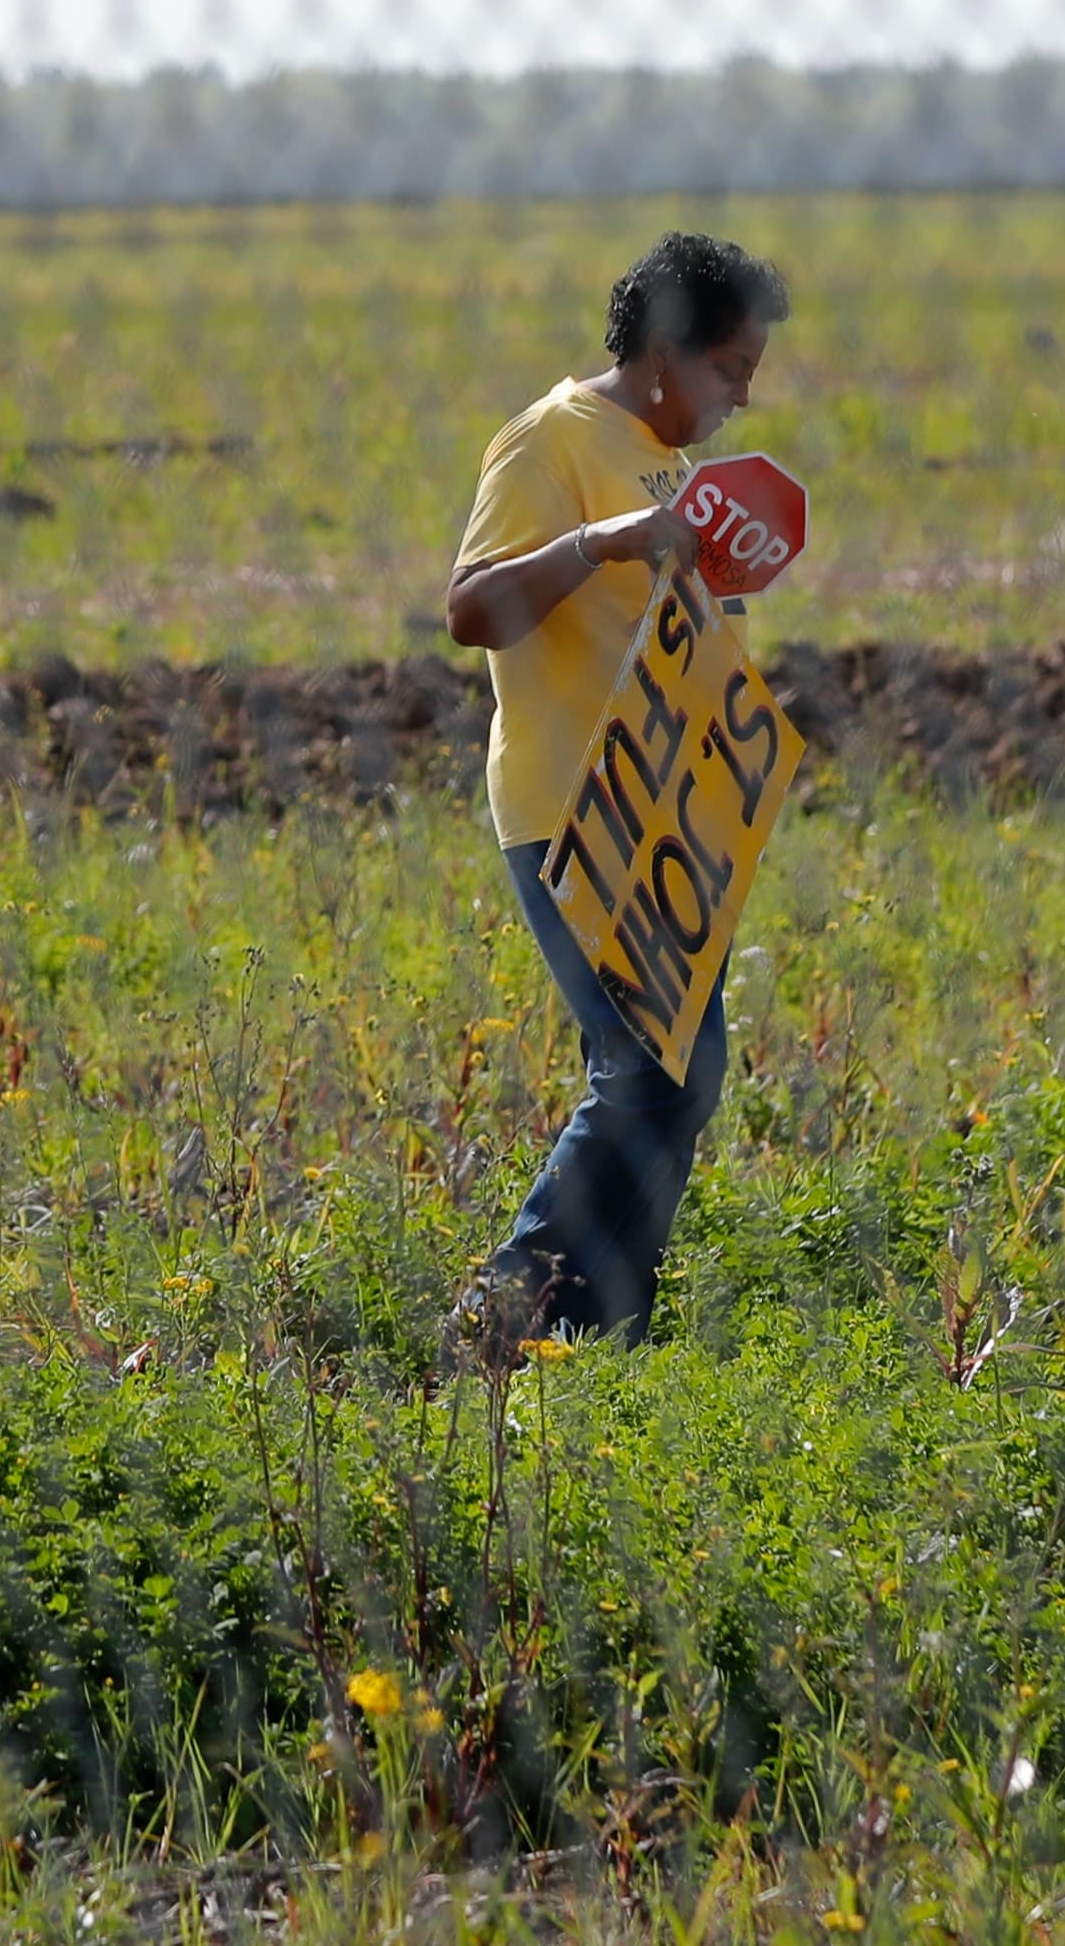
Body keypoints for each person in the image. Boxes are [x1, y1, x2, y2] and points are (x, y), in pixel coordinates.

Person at [441, 230, 789, 1344]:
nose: (741, 396)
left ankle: (594, 1329)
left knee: (682, 1073)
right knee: (643, 1068)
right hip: (567, 809)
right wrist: (601, 541)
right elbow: (468, 609)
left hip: (661, 816)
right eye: (729, 369)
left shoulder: (658, 450)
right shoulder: (548, 439)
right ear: (665, 353)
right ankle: (504, 1310)